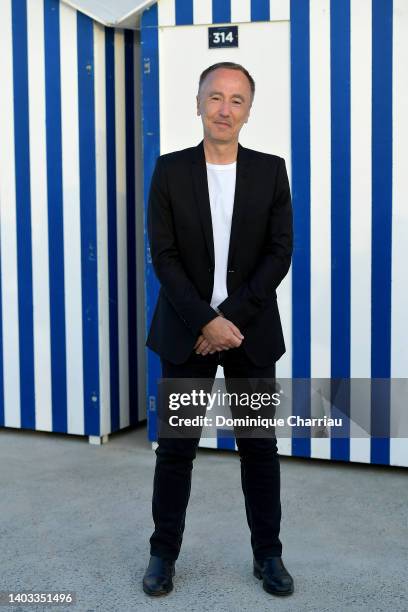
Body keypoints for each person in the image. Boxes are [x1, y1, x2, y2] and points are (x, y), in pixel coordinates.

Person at [142, 61, 294, 597]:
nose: (224, 109)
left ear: (249, 111)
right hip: (188, 334)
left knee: (258, 447)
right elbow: (163, 256)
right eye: (215, 97)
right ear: (198, 102)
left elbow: (280, 254)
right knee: (177, 449)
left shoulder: (271, 171)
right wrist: (206, 320)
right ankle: (163, 555)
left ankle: (269, 556)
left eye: (236, 100)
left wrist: (230, 321)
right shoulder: (169, 170)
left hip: (248, 337)